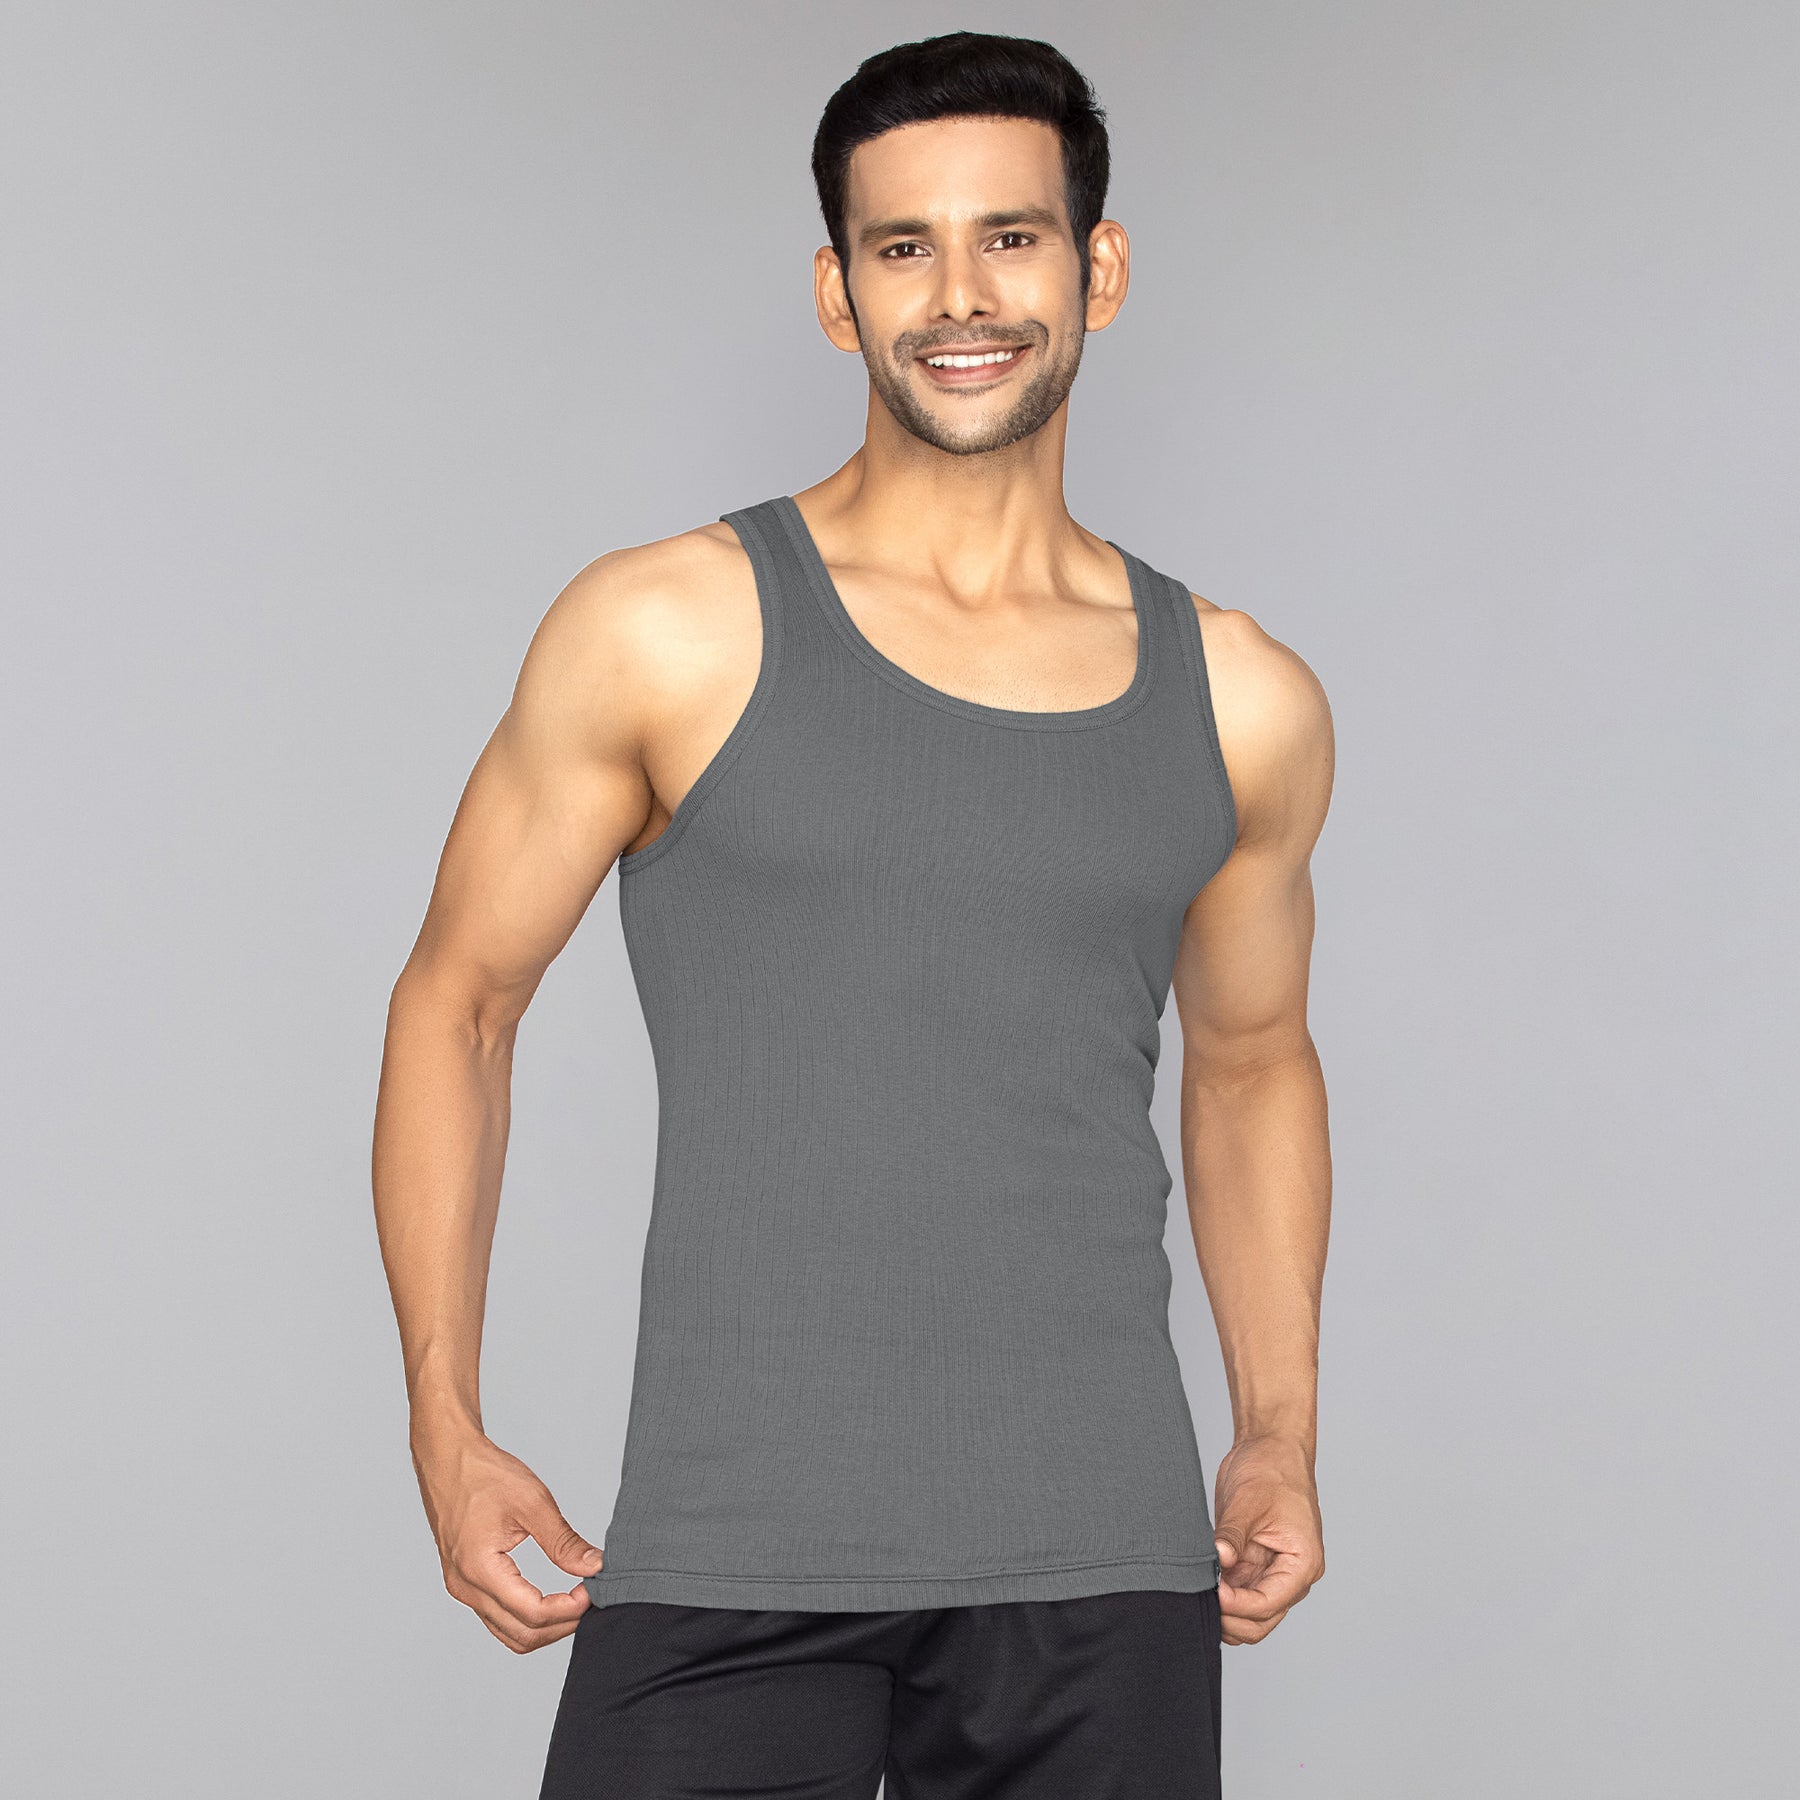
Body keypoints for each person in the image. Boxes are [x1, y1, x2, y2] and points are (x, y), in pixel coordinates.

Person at [372, 29, 1332, 1799]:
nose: (962, 295)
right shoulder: (667, 629)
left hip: (1101, 1571)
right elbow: (460, 1002)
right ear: (839, 294)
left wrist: (1279, 1428)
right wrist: (445, 1419)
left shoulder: (1241, 698)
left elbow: (1255, 1063)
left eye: (1011, 237)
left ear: (1099, 268)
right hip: (729, 1555)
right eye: (905, 247)